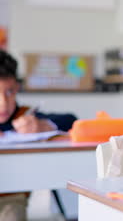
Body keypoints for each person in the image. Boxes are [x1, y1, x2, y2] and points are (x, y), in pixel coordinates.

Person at [0, 50, 77, 221]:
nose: (3, 103)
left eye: (9, 92)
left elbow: (70, 120)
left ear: (17, 88)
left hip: (11, 198)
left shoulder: (24, 115)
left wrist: (43, 126)